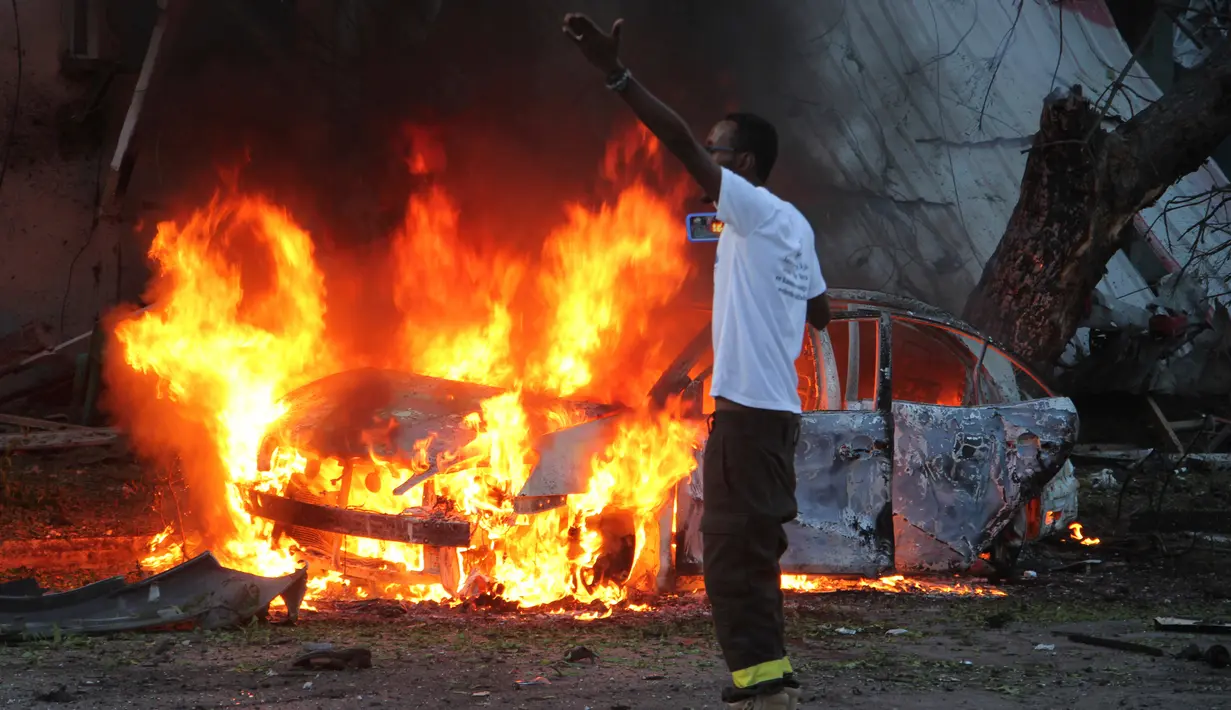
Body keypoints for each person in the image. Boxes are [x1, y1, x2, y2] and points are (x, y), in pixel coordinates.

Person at [563, 13, 832, 710]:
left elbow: (677, 139)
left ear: (740, 167)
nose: (703, 161)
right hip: (768, 419)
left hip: (749, 421)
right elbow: (822, 310)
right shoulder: (791, 227)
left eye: (718, 153)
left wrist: (616, 76)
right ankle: (767, 673)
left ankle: (763, 686)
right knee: (750, 553)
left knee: (727, 555)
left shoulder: (753, 211)